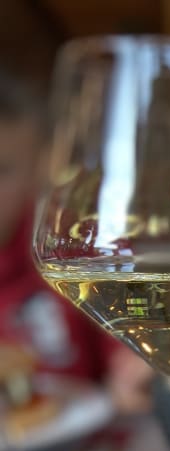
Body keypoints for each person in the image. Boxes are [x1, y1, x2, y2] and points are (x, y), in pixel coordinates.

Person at [0, 60, 152, 413]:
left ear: (36, 171)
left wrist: (132, 367)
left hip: (80, 450)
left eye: (1, 170)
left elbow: (124, 333)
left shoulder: (66, 252)